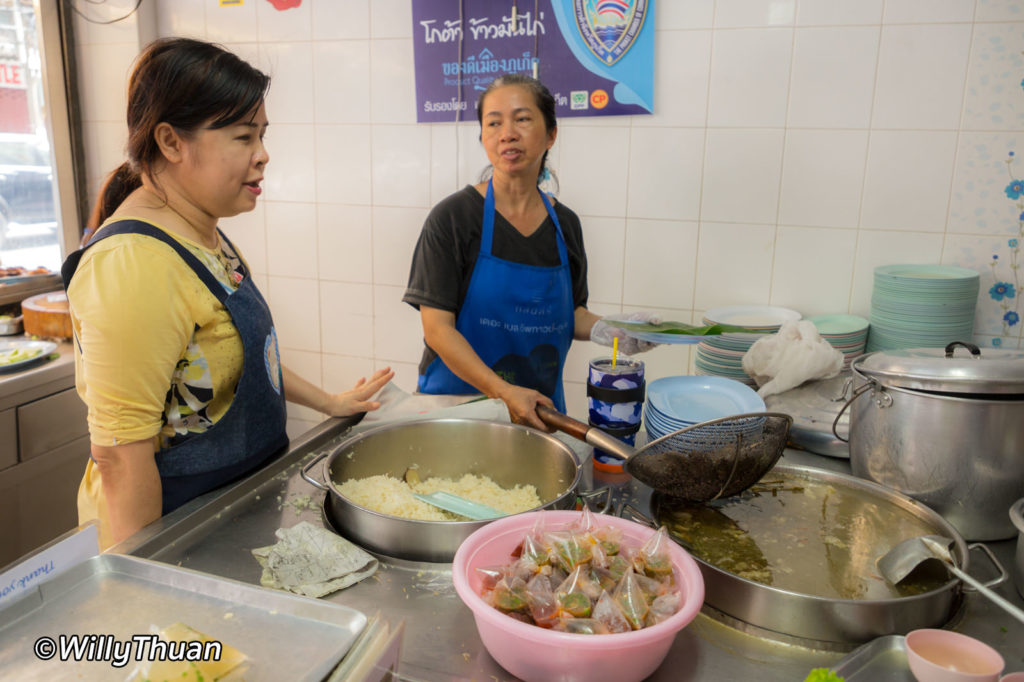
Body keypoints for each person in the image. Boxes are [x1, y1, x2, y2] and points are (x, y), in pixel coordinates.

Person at [64, 38, 392, 550]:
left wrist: (330, 401)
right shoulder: (131, 264)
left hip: (228, 509)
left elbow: (238, 360)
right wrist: (142, 582)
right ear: (171, 142)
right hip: (171, 526)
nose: (263, 156)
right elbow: (119, 458)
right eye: (243, 137)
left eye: (261, 135)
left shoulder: (202, 233)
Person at [403, 74, 657, 431]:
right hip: (456, 411)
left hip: (538, 412)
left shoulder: (564, 225)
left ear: (551, 133)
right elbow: (437, 330)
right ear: (483, 137)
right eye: (493, 123)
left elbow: (570, 314)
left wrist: (611, 330)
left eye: (522, 119)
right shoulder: (453, 219)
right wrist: (503, 392)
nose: (507, 132)